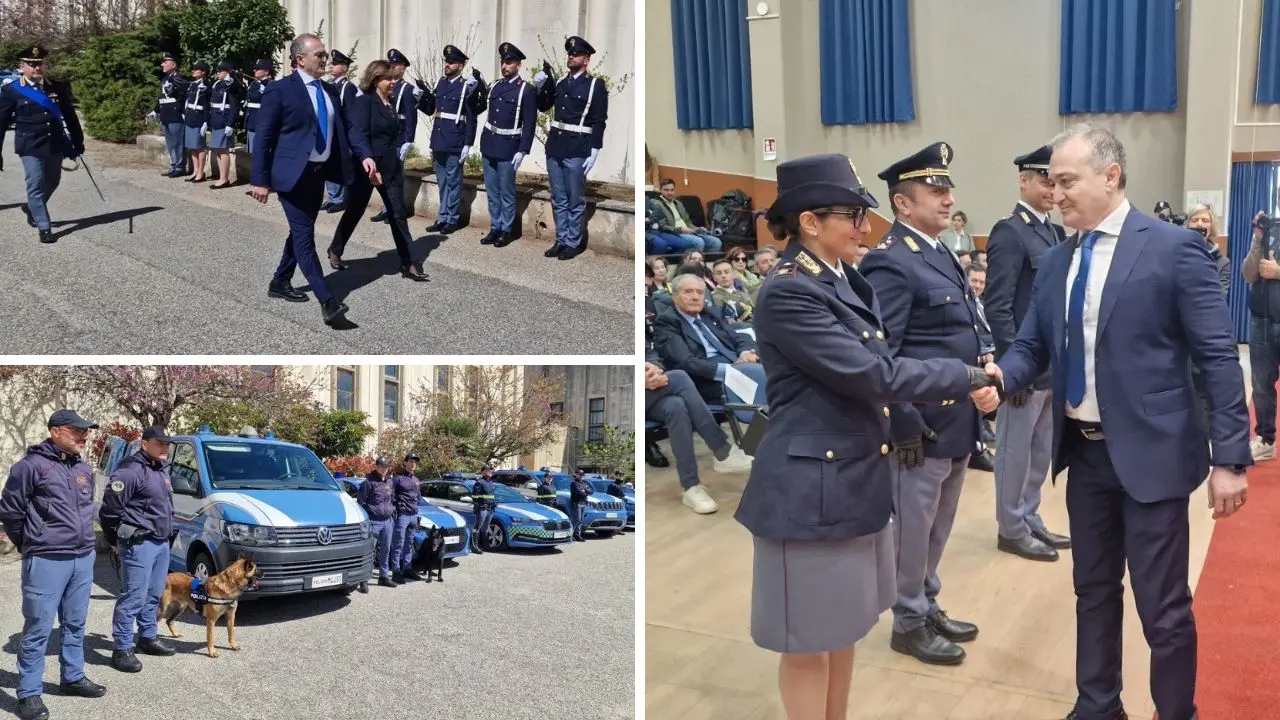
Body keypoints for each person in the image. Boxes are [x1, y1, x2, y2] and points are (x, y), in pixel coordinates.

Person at [987, 123, 1250, 720]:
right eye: (1051, 183)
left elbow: (1216, 357)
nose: (1056, 193)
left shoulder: (1172, 247)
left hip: (1153, 455)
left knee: (1163, 608)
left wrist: (1230, 458)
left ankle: (1175, 712)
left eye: (1067, 180)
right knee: (1093, 592)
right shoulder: (1056, 261)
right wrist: (1001, 376)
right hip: (1084, 456)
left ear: (1112, 176)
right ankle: (1098, 704)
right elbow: (1031, 346)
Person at [733, 154, 998, 720]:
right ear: (809, 222)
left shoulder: (843, 278)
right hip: (807, 492)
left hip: (850, 477)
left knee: (843, 629)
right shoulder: (789, 291)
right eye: (851, 215)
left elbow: (878, 366)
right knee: (807, 641)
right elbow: (875, 374)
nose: (863, 226)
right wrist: (965, 374)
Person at [856, 142, 986, 666]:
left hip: (955, 418)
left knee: (938, 525)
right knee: (912, 528)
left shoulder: (938, 252)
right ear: (902, 204)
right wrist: (904, 419)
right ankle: (907, 620)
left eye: (947, 189)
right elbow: (884, 351)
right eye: (935, 190)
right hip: (921, 425)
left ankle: (926, 601)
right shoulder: (892, 262)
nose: (947, 197)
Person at [982, 144, 1072, 562]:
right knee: (1014, 452)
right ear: (1023, 181)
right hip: (1023, 368)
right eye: (1042, 179)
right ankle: (1011, 527)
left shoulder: (1054, 233)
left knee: (1040, 452)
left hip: (1052, 364)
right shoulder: (1008, 231)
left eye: (1055, 180)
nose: (1051, 188)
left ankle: (1030, 517)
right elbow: (998, 305)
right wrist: (1009, 369)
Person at [0, 409, 108, 720]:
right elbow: (10, 511)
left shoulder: (84, 469)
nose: (84, 436)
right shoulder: (29, 467)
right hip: (46, 559)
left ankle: (72, 678)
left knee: (75, 624)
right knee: (38, 628)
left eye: (86, 431)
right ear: (56, 431)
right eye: (77, 431)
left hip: (82, 557)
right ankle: (29, 693)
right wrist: (31, 543)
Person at [250, 32, 364, 326]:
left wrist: (364, 155)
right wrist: (260, 180)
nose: (326, 59)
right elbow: (263, 137)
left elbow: (347, 127)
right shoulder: (280, 90)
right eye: (320, 55)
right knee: (304, 237)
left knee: (300, 230)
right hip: (291, 177)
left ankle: (280, 281)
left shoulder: (328, 91)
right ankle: (328, 302)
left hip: (317, 175)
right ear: (300, 59)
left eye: (325, 55)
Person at [325, 59, 427, 280]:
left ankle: (408, 262)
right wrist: (368, 159)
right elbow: (358, 134)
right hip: (367, 167)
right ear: (375, 79)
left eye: (394, 78)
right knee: (355, 210)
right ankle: (335, 248)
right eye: (388, 79)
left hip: (390, 167)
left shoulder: (389, 103)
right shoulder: (365, 102)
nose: (393, 82)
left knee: (398, 212)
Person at [100, 427, 178, 673]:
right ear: (145, 444)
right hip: (139, 544)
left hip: (161, 543)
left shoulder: (159, 469)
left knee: (154, 594)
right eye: (159, 443)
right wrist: (115, 540)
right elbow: (110, 510)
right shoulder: (131, 470)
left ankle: (147, 637)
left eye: (167, 444)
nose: (165, 447)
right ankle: (122, 647)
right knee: (133, 596)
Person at [0, 44, 86, 245]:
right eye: (31, 65)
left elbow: (70, 116)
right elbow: (1, 123)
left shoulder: (56, 86)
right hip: (30, 145)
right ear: (22, 66)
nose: (36, 68)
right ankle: (44, 226)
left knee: (53, 181)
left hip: (54, 143)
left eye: (39, 64)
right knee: (35, 183)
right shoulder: (12, 90)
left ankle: (31, 208)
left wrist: (77, 141)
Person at [535, 36, 608, 261]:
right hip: (556, 146)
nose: (571, 57)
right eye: (569, 54)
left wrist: (595, 148)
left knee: (575, 198)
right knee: (558, 197)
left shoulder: (595, 85)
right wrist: (541, 86)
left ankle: (573, 242)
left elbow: (599, 120)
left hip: (577, 147)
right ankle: (561, 239)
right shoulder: (560, 83)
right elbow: (543, 105)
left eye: (575, 55)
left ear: (586, 60)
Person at [416, 44, 484, 234]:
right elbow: (431, 110)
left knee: (453, 181)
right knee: (442, 181)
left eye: (452, 62)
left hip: (455, 139)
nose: (447, 64)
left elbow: (471, 117)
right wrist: (421, 97)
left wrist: (468, 143)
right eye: (446, 61)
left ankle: (451, 219)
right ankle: (442, 216)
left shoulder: (466, 86)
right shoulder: (441, 83)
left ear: (461, 65)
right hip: (439, 138)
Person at [476, 42, 537, 247]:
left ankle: (507, 230)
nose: (505, 66)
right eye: (503, 62)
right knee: (492, 191)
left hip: (509, 147)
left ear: (518, 65)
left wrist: (523, 150)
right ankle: (495, 227)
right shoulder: (494, 86)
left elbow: (529, 123)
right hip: (490, 144)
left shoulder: (525, 90)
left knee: (506, 191)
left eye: (509, 62)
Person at [1242, 209, 1280, 461]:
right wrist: (1258, 238)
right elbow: (1248, 274)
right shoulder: (1270, 231)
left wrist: (1278, 272)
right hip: (1263, 320)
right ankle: (1266, 439)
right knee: (1261, 384)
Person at [369, 47, 418, 224]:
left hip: (398, 138)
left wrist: (409, 140)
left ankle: (397, 209)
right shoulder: (382, 87)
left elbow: (411, 117)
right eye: (390, 64)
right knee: (383, 175)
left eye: (396, 64)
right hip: (385, 139)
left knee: (395, 176)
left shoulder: (407, 89)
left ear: (403, 68)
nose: (392, 67)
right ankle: (386, 208)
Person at [321, 50, 355, 213]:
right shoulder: (331, 85)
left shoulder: (348, 87)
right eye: (332, 64)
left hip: (341, 132)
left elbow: (351, 114)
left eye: (335, 64)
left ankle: (340, 199)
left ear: (345, 67)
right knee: (329, 163)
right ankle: (332, 196)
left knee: (339, 164)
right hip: (330, 131)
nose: (332, 66)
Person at [356, 457, 397, 587]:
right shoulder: (368, 482)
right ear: (377, 466)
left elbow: (392, 500)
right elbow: (361, 503)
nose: (384, 469)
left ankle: (383, 577)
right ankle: (364, 579)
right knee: (369, 551)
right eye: (382, 466)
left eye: (386, 466)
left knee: (386, 550)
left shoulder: (389, 482)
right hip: (374, 521)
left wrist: (392, 510)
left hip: (387, 521)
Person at [152, 51, 189, 177]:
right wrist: (155, 110)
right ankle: (173, 165)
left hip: (176, 115)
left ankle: (180, 167)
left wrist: (174, 90)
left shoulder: (180, 78)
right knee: (170, 143)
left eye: (165, 62)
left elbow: (184, 95)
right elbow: (161, 97)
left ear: (173, 64)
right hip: (166, 115)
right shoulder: (165, 79)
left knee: (178, 143)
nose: (162, 64)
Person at [206, 60, 242, 189]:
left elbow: (234, 105)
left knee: (223, 150)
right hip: (216, 120)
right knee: (217, 149)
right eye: (218, 71)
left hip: (224, 120)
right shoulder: (218, 84)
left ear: (227, 72)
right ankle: (222, 177)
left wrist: (230, 124)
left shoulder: (231, 84)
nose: (218, 73)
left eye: (221, 71)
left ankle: (224, 178)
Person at [390, 453, 423, 582]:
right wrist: (396, 507)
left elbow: (418, 496)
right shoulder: (398, 479)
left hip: (413, 515)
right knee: (398, 544)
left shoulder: (416, 480)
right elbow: (391, 496)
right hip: (402, 515)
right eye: (410, 461)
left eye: (415, 462)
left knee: (409, 544)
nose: (413, 464)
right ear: (405, 463)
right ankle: (396, 571)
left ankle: (407, 569)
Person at [181, 60, 210, 183]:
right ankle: (195, 170)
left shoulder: (206, 85)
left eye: (196, 69)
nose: (193, 71)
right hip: (190, 117)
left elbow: (207, 105)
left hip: (199, 118)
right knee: (192, 147)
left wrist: (205, 122)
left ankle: (200, 172)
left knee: (199, 147)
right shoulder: (192, 84)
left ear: (203, 72)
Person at [243, 58, 274, 155]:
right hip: (252, 122)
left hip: (262, 123)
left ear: (266, 71)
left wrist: (265, 88)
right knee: (252, 154)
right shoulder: (254, 84)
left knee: (262, 154)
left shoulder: (271, 85)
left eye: (257, 69)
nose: (254, 70)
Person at [470, 466, 497, 553]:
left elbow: (491, 496)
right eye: (487, 470)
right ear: (482, 472)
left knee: (485, 528)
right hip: (482, 508)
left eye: (490, 470)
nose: (489, 471)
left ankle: (485, 546)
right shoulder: (479, 483)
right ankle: (475, 547)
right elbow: (474, 497)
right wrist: (478, 506)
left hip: (490, 508)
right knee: (477, 527)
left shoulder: (491, 483)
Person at [568, 469, 593, 541]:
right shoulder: (574, 483)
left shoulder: (584, 483)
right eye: (580, 474)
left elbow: (591, 491)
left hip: (583, 503)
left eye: (582, 474)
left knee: (580, 520)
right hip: (577, 503)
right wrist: (585, 491)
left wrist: (585, 490)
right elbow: (579, 493)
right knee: (576, 520)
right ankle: (570, 535)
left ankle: (577, 535)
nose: (581, 476)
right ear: (576, 474)